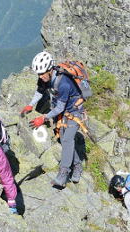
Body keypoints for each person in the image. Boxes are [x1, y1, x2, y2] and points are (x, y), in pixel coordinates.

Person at [21, 51, 86, 188]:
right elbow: (40, 91)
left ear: (50, 69)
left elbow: (59, 108)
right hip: (64, 111)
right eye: (39, 74)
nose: (41, 76)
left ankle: (63, 173)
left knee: (67, 139)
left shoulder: (63, 83)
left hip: (75, 111)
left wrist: (43, 118)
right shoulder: (45, 77)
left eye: (43, 73)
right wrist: (30, 104)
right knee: (63, 139)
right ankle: (78, 166)